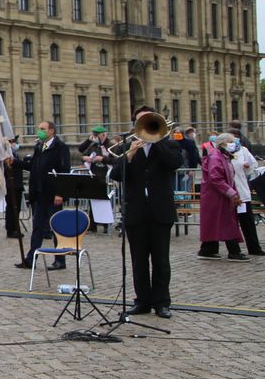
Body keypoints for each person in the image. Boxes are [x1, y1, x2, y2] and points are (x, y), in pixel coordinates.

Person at [109, 106, 184, 318]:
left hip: (160, 210)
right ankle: (142, 301)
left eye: (148, 121)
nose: (144, 125)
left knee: (161, 260)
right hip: (136, 211)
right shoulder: (129, 147)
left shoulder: (169, 145)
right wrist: (131, 153)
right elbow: (116, 174)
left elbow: (175, 163)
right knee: (138, 260)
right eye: (140, 121)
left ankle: (162, 302)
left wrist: (155, 141)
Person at [14, 120, 70, 269]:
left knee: (56, 228)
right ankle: (30, 259)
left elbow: (64, 170)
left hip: (53, 195)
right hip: (40, 194)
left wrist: (60, 193)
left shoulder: (60, 147)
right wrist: (14, 162)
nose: (39, 131)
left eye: (42, 129)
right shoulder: (39, 147)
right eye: (39, 129)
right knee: (37, 228)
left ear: (51, 131)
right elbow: (32, 166)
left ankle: (60, 260)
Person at [197, 132, 247, 262]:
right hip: (216, 197)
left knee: (217, 223)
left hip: (221, 195)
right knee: (226, 223)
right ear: (223, 143)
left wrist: (234, 193)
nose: (233, 144)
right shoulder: (215, 157)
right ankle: (233, 251)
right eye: (231, 141)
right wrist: (232, 193)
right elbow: (216, 178)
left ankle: (208, 249)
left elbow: (229, 178)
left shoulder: (224, 156)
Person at [229, 130, 263, 255]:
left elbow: (253, 165)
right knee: (231, 223)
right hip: (230, 193)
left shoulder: (243, 150)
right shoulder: (223, 153)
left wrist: (248, 167)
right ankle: (234, 250)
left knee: (247, 222)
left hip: (242, 192)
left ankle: (254, 248)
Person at [77, 125, 113, 233]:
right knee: (92, 201)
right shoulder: (93, 146)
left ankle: (106, 224)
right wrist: (85, 158)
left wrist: (103, 158)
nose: (95, 137)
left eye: (96, 135)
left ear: (103, 134)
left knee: (104, 201)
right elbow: (81, 151)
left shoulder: (110, 145)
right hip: (93, 175)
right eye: (94, 135)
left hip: (105, 177)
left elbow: (115, 159)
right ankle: (92, 224)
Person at [3, 138, 24, 238]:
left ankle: (14, 228)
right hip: (12, 185)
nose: (14, 144)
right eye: (12, 142)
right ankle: (12, 230)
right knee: (13, 208)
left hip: (16, 184)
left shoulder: (13, 153)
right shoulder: (7, 154)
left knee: (15, 208)